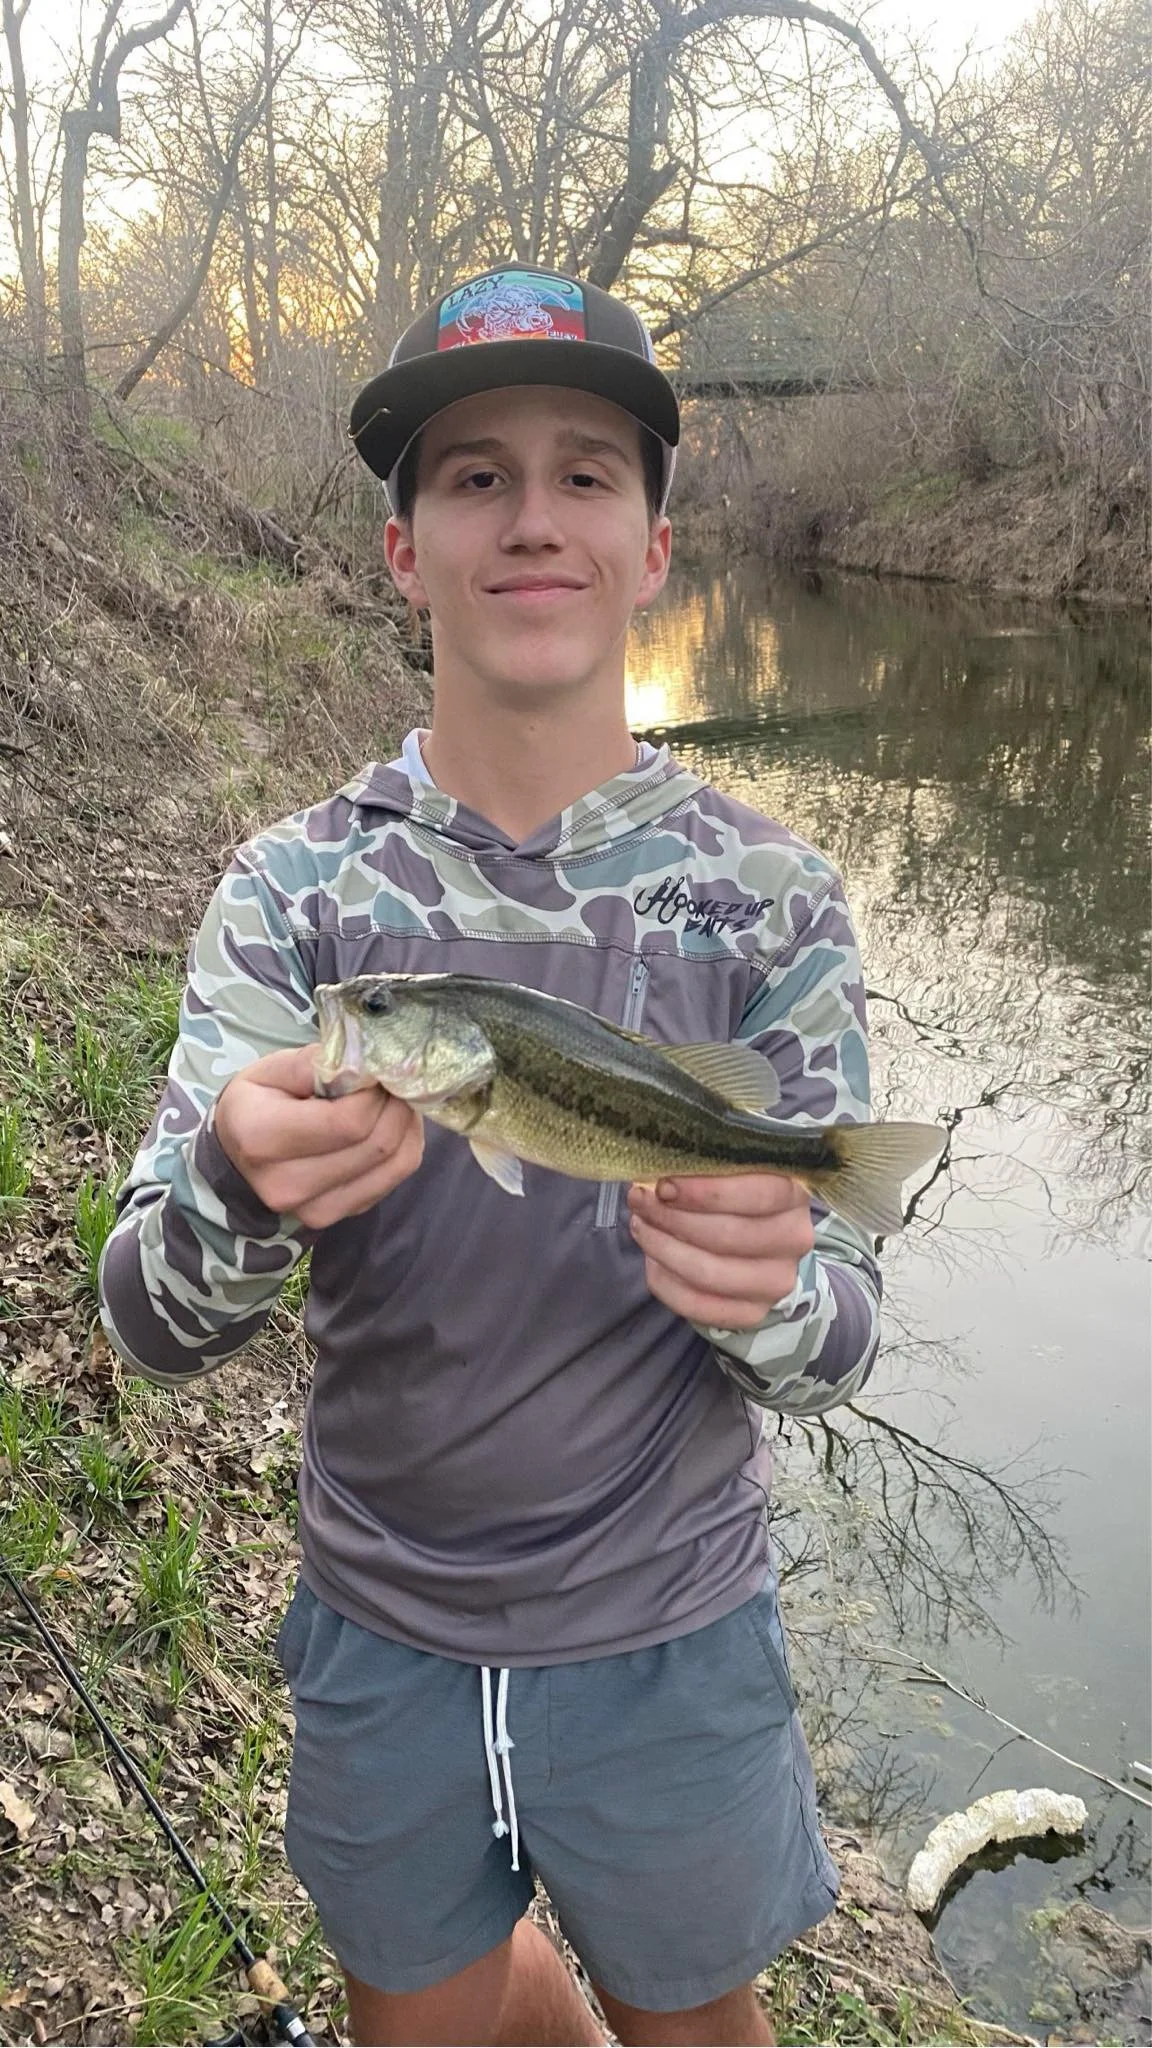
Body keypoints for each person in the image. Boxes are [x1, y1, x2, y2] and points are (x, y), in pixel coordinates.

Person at [100, 262, 886, 2048]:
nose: (533, 520)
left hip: (674, 1632)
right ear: (404, 553)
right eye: (474, 477)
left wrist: (771, 1296)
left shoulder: (769, 903)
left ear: (654, 545)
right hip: (380, 1626)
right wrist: (229, 1184)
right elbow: (145, 1320)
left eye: (586, 473)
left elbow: (841, 1348)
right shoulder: (299, 898)